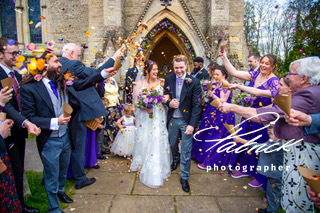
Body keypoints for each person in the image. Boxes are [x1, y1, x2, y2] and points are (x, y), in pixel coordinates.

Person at [219, 56, 320, 212]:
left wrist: (233, 107)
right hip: (295, 151)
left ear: (304, 78)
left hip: (302, 155)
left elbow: (273, 113)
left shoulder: (308, 94)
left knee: (297, 200)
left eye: (290, 74)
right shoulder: (309, 92)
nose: (287, 77)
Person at [60, 43, 123, 189]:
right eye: (78, 55)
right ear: (70, 53)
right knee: (78, 146)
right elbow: (94, 73)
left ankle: (65, 175)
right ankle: (80, 178)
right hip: (78, 112)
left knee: (68, 145)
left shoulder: (59, 65)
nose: (79, 59)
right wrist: (114, 58)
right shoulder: (72, 64)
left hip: (65, 111)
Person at [220, 48, 279, 188]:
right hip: (248, 117)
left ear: (273, 66)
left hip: (262, 118)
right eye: (263, 62)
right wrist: (224, 58)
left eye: (267, 63)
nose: (263, 65)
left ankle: (260, 176)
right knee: (245, 142)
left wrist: (240, 88)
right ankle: (245, 169)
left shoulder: (275, 82)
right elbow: (234, 73)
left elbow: (270, 100)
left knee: (259, 146)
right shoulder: (255, 74)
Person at [0, 37, 40, 213]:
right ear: (1, 54)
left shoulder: (15, 75)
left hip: (18, 130)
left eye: (18, 52)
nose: (17, 56)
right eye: (12, 53)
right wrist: (25, 121)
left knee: (19, 168)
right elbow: (6, 105)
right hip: (5, 131)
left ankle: (20, 204)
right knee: (12, 169)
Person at [130, 60, 171, 188]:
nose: (156, 72)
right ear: (147, 70)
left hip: (158, 115)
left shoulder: (161, 82)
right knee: (144, 137)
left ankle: (158, 163)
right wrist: (144, 107)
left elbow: (167, 97)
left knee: (157, 137)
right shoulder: (139, 83)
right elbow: (136, 102)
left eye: (157, 69)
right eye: (154, 69)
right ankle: (142, 161)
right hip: (145, 116)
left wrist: (165, 99)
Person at [164, 55, 202, 192]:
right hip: (173, 118)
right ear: (173, 66)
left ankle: (184, 176)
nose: (179, 71)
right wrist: (169, 102)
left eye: (181, 68)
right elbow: (165, 96)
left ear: (186, 66)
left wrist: (192, 124)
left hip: (187, 121)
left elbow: (197, 105)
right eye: (176, 68)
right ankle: (175, 159)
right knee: (172, 143)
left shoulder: (195, 82)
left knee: (186, 149)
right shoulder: (168, 78)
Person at [191, 66, 235, 169]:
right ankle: (201, 156)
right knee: (207, 134)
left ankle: (211, 162)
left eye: (217, 74)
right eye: (214, 74)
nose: (215, 76)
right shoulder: (215, 84)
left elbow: (224, 100)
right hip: (211, 113)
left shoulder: (226, 85)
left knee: (216, 137)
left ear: (223, 75)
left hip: (223, 114)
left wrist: (213, 96)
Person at [104, 76, 122, 145]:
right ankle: (109, 140)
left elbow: (116, 90)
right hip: (108, 105)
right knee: (110, 122)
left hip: (116, 103)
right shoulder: (101, 81)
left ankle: (117, 139)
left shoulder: (112, 79)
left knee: (117, 122)